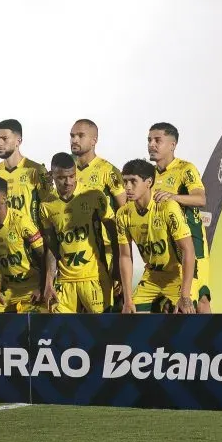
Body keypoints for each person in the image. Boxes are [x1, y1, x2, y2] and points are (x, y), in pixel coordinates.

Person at [39, 152, 115, 314]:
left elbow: (115, 234)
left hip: (94, 277)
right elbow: (52, 247)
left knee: (101, 332)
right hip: (65, 281)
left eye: (72, 176)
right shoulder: (46, 205)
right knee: (59, 334)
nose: (68, 182)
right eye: (61, 178)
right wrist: (48, 282)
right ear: (52, 175)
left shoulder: (94, 196)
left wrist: (117, 271)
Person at [117, 158, 196, 314]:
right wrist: (127, 299)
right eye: (125, 181)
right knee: (131, 319)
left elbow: (188, 250)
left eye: (133, 181)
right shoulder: (123, 214)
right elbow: (125, 256)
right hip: (151, 277)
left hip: (177, 276)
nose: (127, 187)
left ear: (149, 182)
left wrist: (185, 296)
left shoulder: (167, 207)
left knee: (186, 318)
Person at [148, 122, 212, 313]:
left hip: (192, 245)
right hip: (165, 250)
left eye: (157, 140)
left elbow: (201, 199)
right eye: (149, 140)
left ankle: (210, 340)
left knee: (198, 298)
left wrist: (173, 197)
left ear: (172, 144)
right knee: (176, 303)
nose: (151, 144)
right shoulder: (147, 175)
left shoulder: (185, 169)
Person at [69, 118, 126, 310]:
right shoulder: (68, 173)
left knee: (102, 317)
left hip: (105, 254)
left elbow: (124, 214)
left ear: (94, 140)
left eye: (80, 136)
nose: (74, 140)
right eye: (72, 136)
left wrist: (120, 265)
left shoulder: (108, 171)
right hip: (74, 256)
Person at [0, 177, 47, 313]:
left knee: (38, 327)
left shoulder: (21, 222)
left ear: (4, 199)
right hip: (8, 291)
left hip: (32, 288)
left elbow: (43, 255)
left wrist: (42, 287)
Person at [0, 119, 48, 228]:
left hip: (30, 240)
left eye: (4, 139)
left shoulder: (35, 170)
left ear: (18, 141)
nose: (0, 143)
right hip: (3, 239)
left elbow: (49, 208)